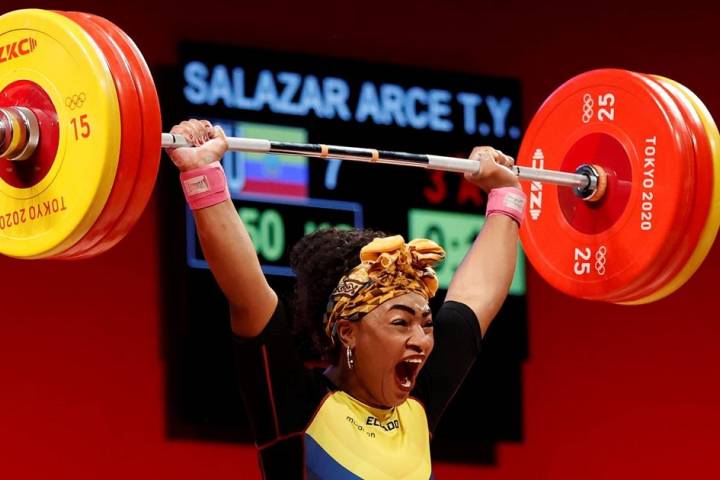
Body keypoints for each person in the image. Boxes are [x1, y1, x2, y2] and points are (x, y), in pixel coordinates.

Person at [167, 119, 524, 479]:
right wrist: (202, 172)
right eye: (400, 322)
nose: (421, 340)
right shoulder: (296, 405)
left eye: (426, 323)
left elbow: (476, 296)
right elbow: (247, 292)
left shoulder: (417, 402)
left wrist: (505, 193)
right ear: (347, 331)